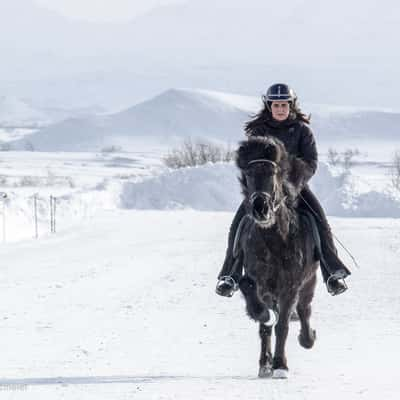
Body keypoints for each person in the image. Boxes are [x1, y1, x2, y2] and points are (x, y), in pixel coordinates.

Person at [216, 83, 351, 297]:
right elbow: (251, 162)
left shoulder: (302, 131)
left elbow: (311, 162)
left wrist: (293, 184)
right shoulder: (259, 131)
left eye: (284, 105)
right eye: (276, 105)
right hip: (265, 188)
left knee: (320, 220)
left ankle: (332, 272)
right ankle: (230, 275)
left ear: (291, 106)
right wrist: (255, 185)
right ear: (269, 106)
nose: (280, 108)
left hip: (296, 187)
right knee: (239, 222)